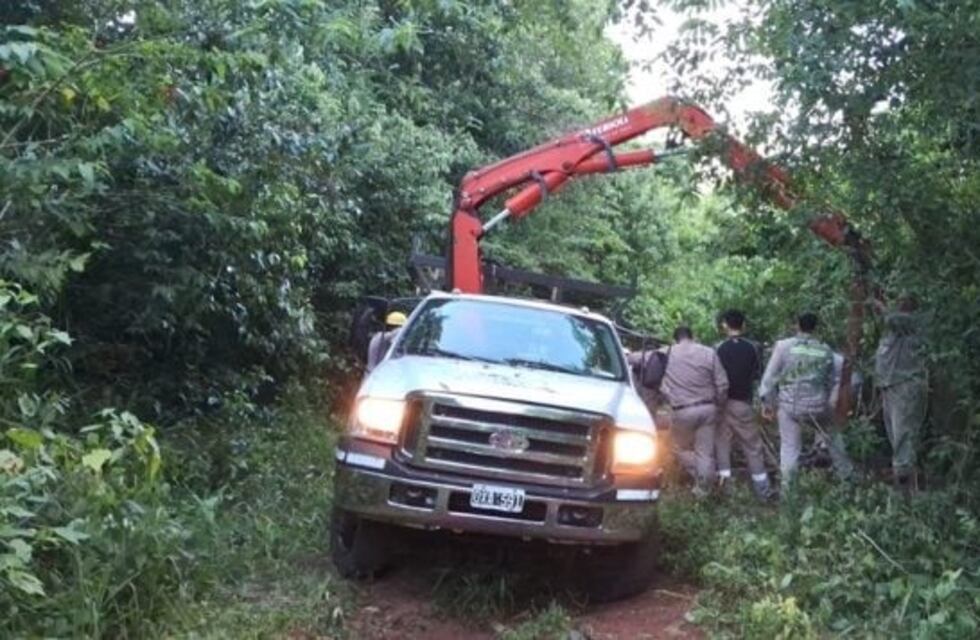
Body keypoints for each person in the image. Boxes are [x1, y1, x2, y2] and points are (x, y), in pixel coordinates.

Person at [759, 312, 854, 489]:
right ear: (816, 328)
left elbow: (770, 378)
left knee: (789, 448)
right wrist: (831, 404)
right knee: (834, 438)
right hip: (819, 407)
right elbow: (835, 378)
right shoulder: (825, 350)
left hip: (790, 407)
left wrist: (767, 403)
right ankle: (847, 478)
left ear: (797, 325)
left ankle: (789, 493)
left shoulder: (783, 346)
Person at [661, 326, 729, 495]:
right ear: (693, 336)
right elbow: (723, 384)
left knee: (678, 448)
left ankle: (706, 475)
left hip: (683, 411)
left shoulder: (666, 352)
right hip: (708, 409)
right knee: (705, 453)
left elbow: (639, 359)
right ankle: (704, 490)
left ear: (675, 339)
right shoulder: (709, 353)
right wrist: (719, 405)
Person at [715, 310, 772, 499]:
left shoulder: (718, 348)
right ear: (744, 325)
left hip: (723, 404)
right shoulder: (754, 348)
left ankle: (725, 488)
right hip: (744, 403)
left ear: (724, 325)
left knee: (722, 443)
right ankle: (762, 490)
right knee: (753, 446)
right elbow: (759, 374)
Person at [874, 295, 928, 492]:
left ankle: (905, 495)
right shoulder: (895, 330)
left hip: (906, 387)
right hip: (891, 387)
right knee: (896, 439)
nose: (900, 301)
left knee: (903, 439)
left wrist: (879, 304)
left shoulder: (915, 322)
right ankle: (904, 490)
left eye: (904, 298)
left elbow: (891, 318)